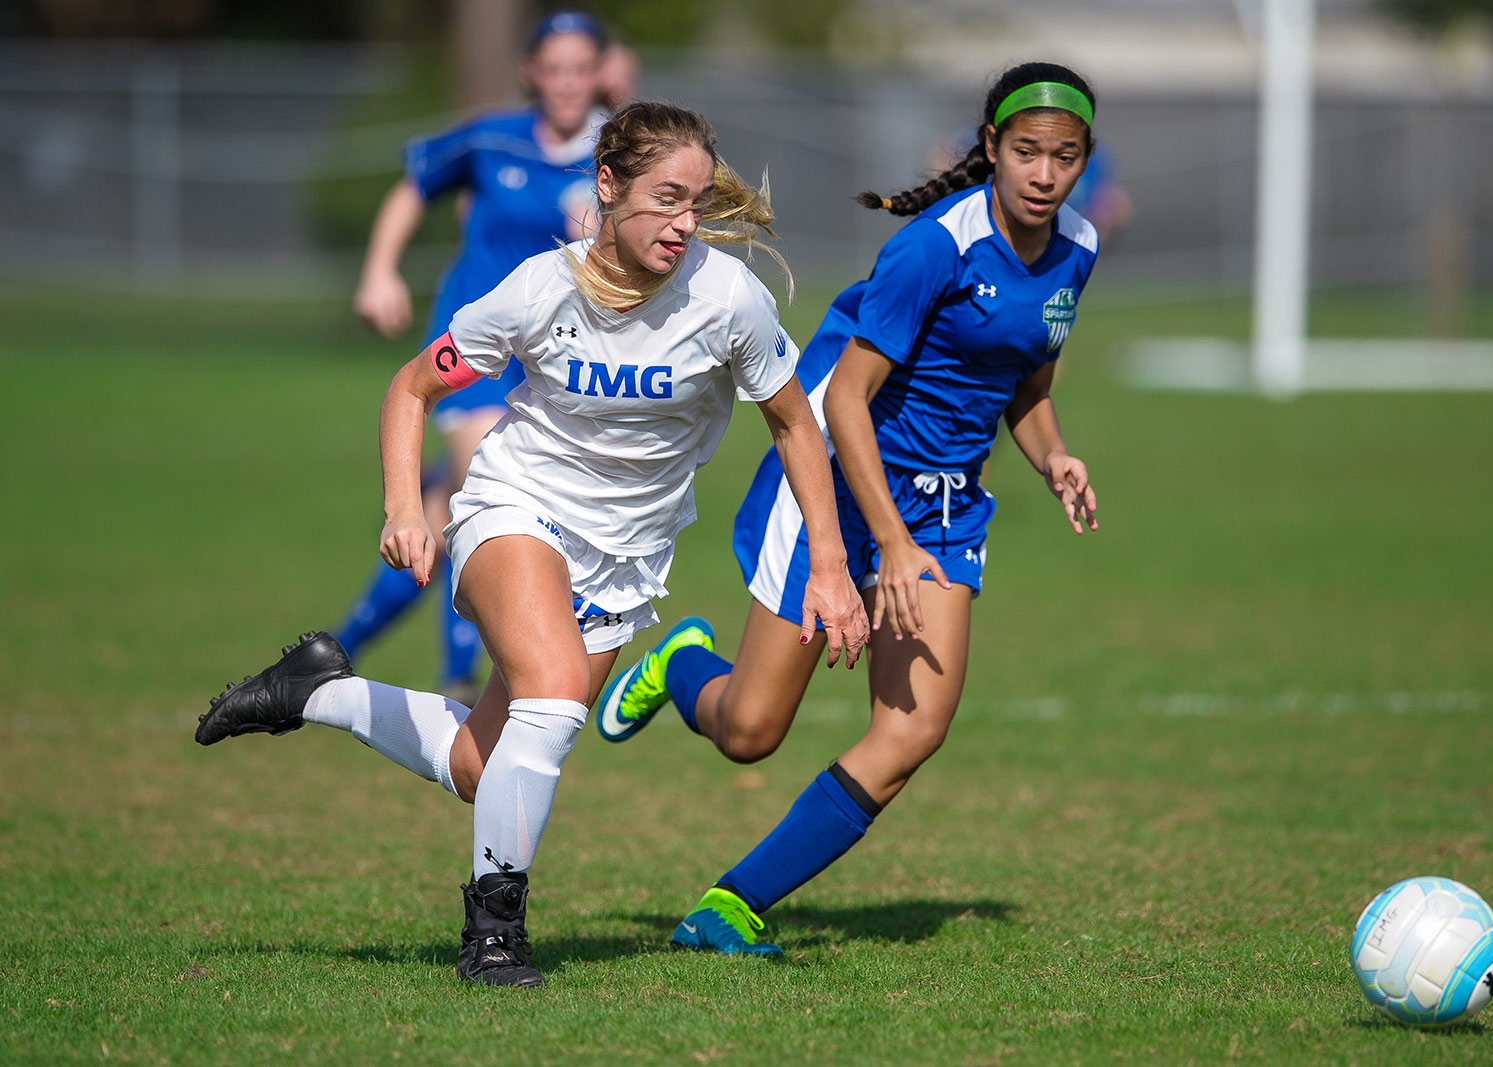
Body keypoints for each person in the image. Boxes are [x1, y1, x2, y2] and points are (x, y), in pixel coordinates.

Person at [195, 101, 870, 988]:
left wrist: (829, 565)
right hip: (514, 508)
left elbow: (794, 423)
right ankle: (494, 934)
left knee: (485, 765)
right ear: (607, 186)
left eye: (697, 202)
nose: (684, 223)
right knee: (550, 698)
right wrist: (406, 506)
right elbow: (410, 388)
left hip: (625, 560)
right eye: (665, 198)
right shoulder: (537, 289)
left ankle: (317, 690)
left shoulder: (728, 300)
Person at [595, 62, 1102, 957]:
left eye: (1064, 157)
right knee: (749, 733)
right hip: (836, 483)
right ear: (991, 149)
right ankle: (681, 666)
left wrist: (1053, 453)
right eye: (1025, 152)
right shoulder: (934, 247)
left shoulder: (1078, 250)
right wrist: (889, 545)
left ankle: (731, 904)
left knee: (912, 732)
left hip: (945, 511)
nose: (1043, 173)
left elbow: (1023, 374)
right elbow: (844, 402)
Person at [338, 10, 616, 702]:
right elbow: (414, 189)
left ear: (600, 73)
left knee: (436, 519)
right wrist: (380, 271)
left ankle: (336, 651)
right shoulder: (493, 138)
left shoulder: (616, 156)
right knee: (481, 491)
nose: (566, 83)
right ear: (531, 74)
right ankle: (464, 675)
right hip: (473, 345)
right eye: (553, 69)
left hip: (554, 360)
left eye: (580, 69)